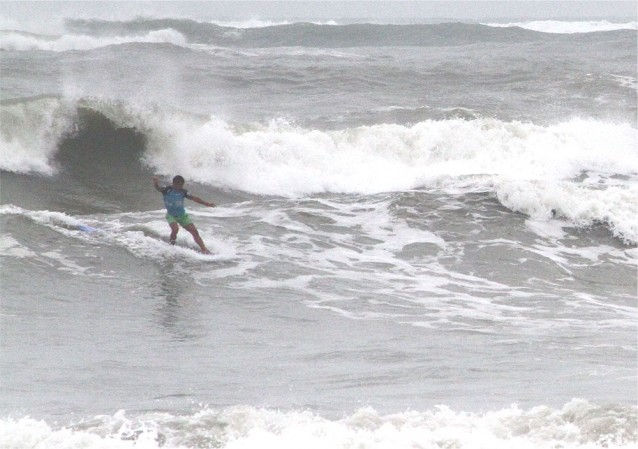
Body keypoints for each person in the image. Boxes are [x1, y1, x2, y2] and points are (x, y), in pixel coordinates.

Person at [153, 175, 215, 254]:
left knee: (194, 231)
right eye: (178, 185)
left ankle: (204, 249)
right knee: (175, 229)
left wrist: (206, 203)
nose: (179, 187)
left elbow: (194, 198)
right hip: (171, 215)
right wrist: (155, 183)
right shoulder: (167, 190)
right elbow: (158, 188)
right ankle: (172, 243)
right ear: (173, 183)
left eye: (181, 185)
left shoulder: (183, 192)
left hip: (182, 216)